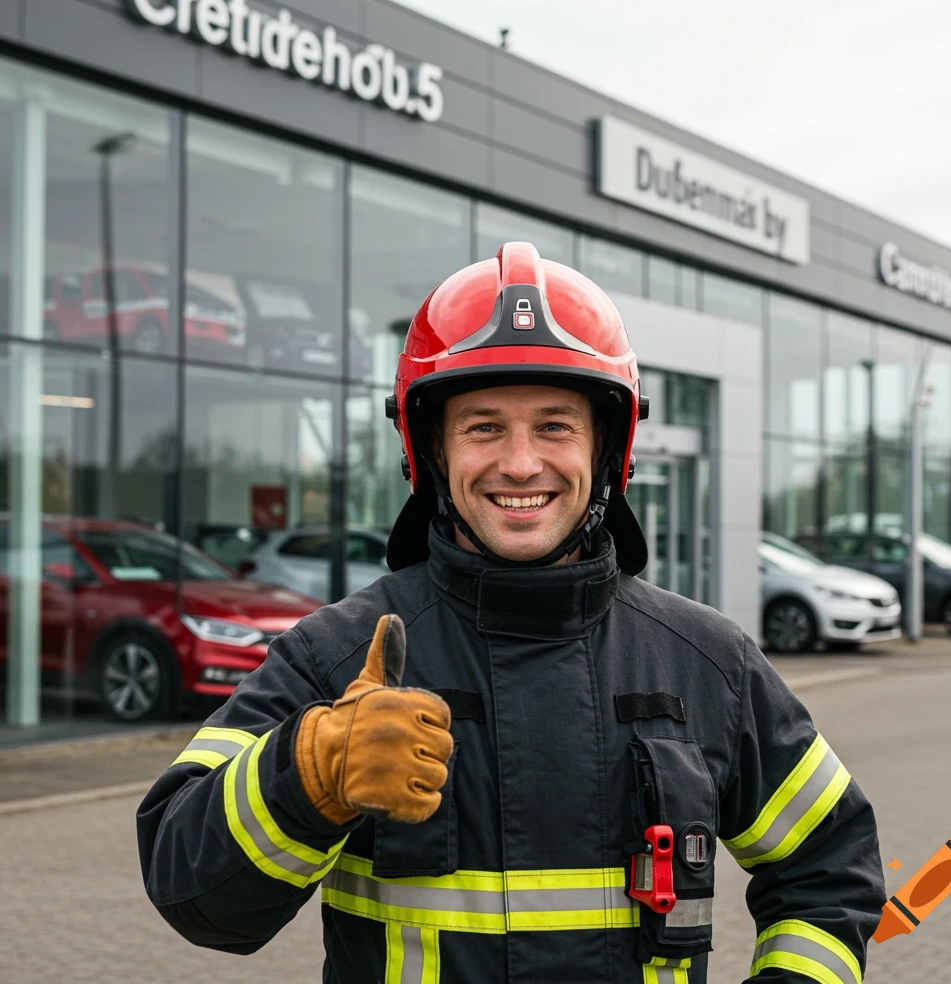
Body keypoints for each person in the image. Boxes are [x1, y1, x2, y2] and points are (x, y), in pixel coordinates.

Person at [138, 242, 884, 984]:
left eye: (555, 425)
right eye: (484, 426)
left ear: (607, 447)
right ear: (430, 451)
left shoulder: (706, 662)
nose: (521, 463)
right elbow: (190, 893)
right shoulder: (335, 656)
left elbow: (829, 868)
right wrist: (306, 774)